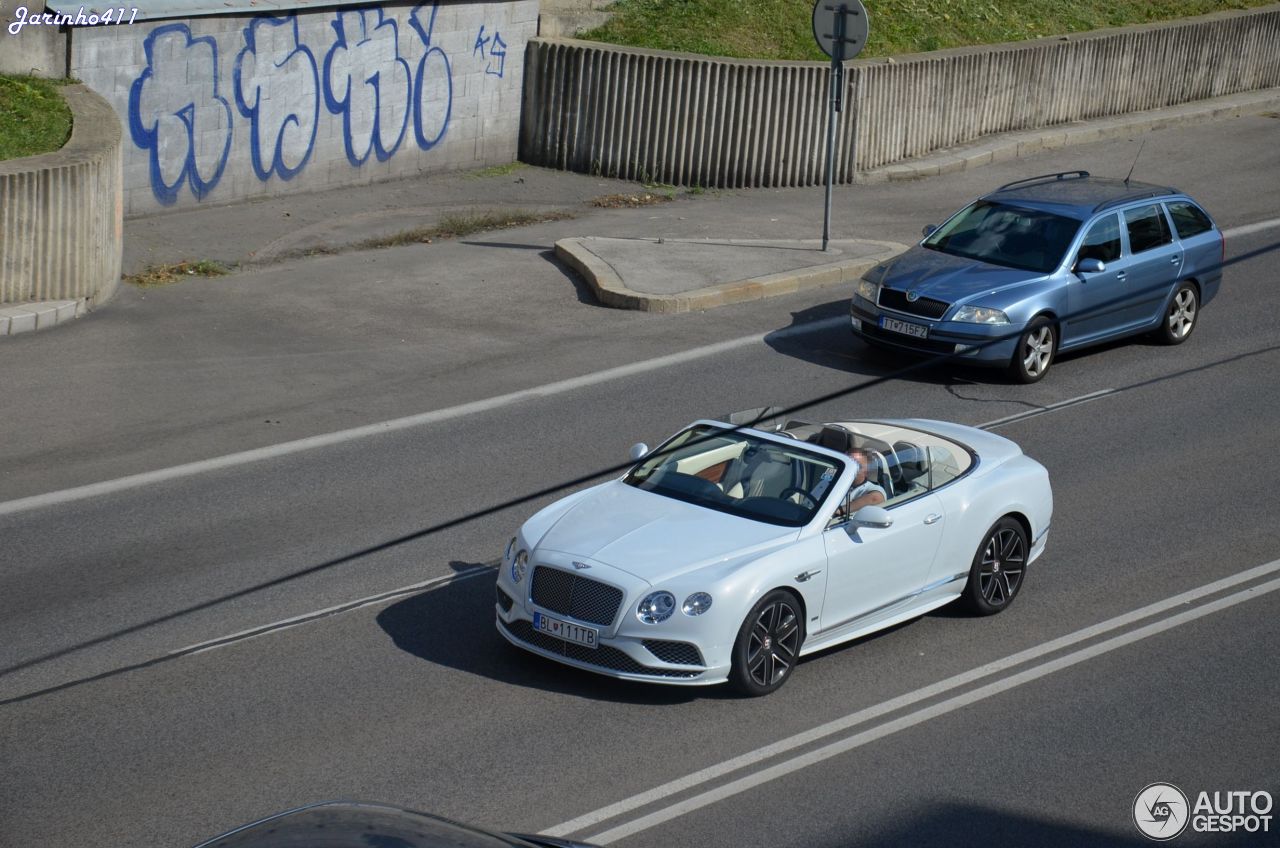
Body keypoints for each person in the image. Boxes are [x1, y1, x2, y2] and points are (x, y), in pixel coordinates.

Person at [836, 448, 886, 519]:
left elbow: (875, 498)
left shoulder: (870, 488)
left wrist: (840, 510)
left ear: (867, 470)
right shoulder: (832, 481)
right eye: (847, 464)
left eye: (856, 466)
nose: (849, 469)